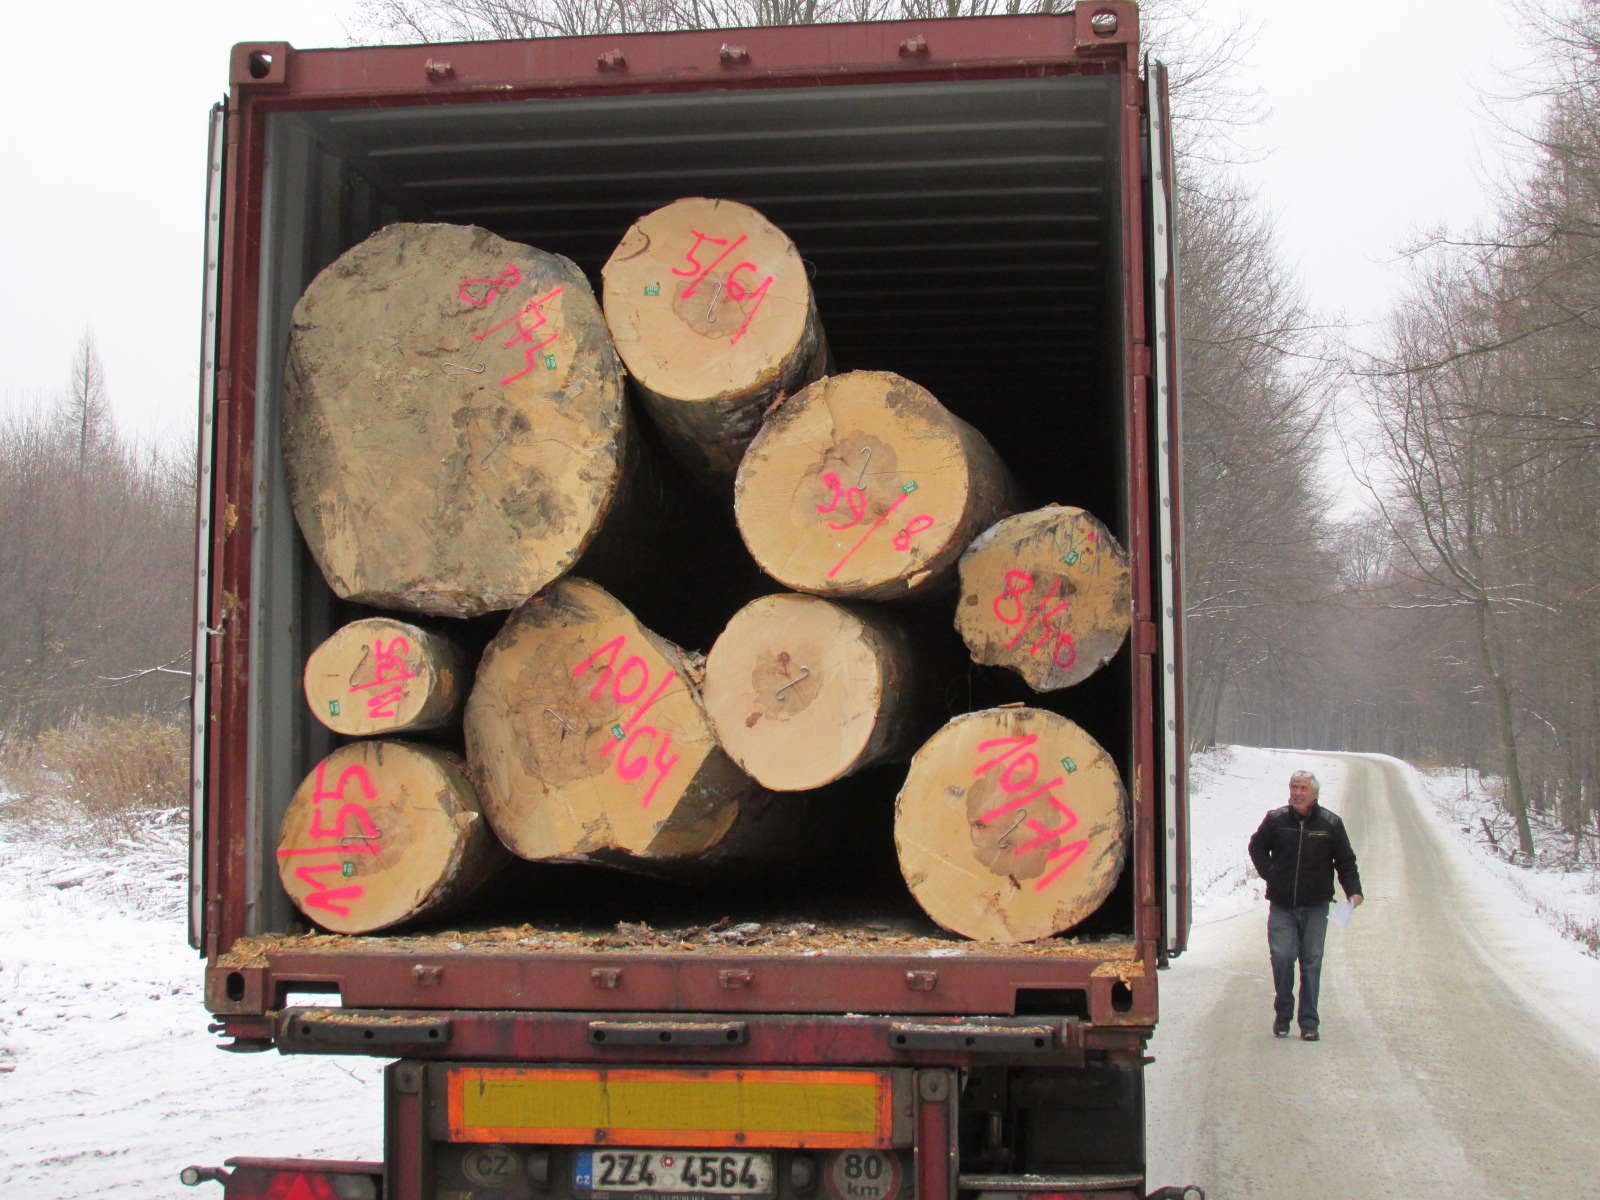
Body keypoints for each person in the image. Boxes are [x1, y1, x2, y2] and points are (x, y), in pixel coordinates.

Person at [1247, 770, 1362, 1041]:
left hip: (1316, 906)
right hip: (1282, 905)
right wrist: (1270, 872)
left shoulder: (1331, 823)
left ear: (1315, 794)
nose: (1297, 793)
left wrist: (1354, 891)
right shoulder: (1276, 819)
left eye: (1302, 789)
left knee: (1311, 962)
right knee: (1283, 957)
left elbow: (1345, 860)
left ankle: (1309, 1022)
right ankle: (1283, 1013)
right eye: (1294, 787)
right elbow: (1256, 846)